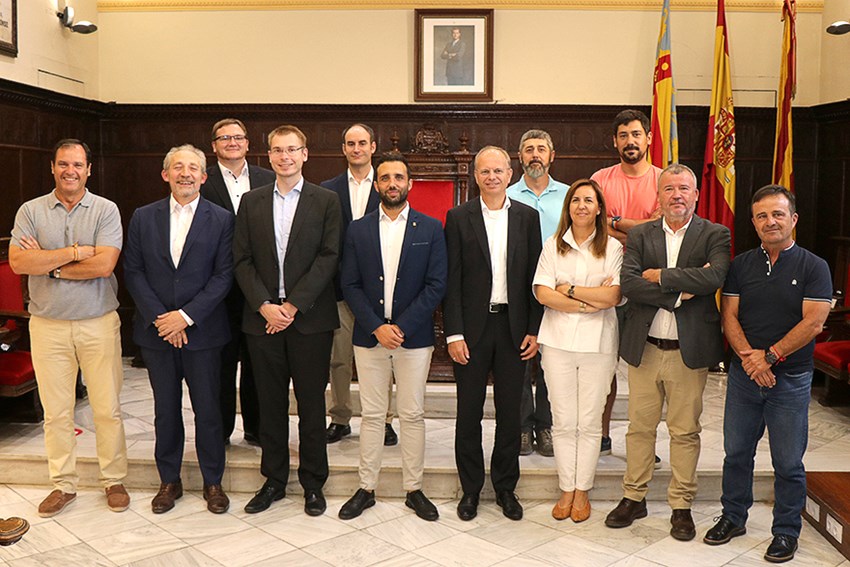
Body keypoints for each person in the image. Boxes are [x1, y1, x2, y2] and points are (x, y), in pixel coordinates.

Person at [704, 185, 831, 563]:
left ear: (793, 219)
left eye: (777, 214)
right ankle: (733, 516)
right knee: (736, 453)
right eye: (762, 216)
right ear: (754, 222)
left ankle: (786, 532)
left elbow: (814, 323)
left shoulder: (814, 266)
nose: (770, 221)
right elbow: (729, 315)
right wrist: (750, 360)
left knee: (788, 461)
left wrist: (770, 357)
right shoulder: (741, 265)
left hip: (790, 380)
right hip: (745, 377)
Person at [604, 163, 730, 541]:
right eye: (669, 189)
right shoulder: (641, 234)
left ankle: (681, 505)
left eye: (684, 188)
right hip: (645, 348)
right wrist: (680, 292)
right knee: (639, 428)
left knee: (684, 431)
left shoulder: (715, 233)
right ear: (658, 197)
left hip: (688, 352)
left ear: (696, 195)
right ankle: (634, 497)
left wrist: (660, 276)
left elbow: (714, 277)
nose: (677, 195)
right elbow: (629, 283)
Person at [9, 139, 129, 518]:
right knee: (56, 412)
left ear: (89, 170)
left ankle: (114, 479)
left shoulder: (106, 210)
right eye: (63, 164)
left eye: (77, 165)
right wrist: (76, 253)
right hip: (48, 325)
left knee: (107, 408)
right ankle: (63, 484)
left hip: (98, 322)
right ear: (53, 167)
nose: (70, 171)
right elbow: (18, 262)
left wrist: (48, 264)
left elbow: (104, 265)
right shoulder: (31, 211)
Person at [234, 125, 342, 516]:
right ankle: (274, 480)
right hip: (262, 320)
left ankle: (313, 484)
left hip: (309, 320)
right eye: (278, 150)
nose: (285, 157)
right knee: (270, 405)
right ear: (269, 156)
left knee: (311, 406)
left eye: (292, 149)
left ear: (305, 154)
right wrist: (264, 305)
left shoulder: (326, 200)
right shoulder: (251, 202)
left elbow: (329, 257)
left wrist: (293, 306)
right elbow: (241, 259)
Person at [124, 144, 234, 514]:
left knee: (209, 410)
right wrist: (162, 318)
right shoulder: (143, 216)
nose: (185, 173)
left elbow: (223, 276)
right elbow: (134, 271)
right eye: (177, 167)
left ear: (203, 176)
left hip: (203, 332)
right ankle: (169, 481)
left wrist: (184, 317)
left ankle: (213, 481)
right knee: (165, 410)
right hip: (157, 334)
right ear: (165, 174)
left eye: (192, 168)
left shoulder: (222, 219)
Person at [338, 153, 447, 522]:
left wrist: (401, 326)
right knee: (371, 415)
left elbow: (436, 285)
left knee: (412, 414)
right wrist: (376, 326)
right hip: (370, 337)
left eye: (398, 177)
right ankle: (365, 488)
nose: (392, 184)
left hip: (413, 339)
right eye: (385, 178)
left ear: (409, 183)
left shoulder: (430, 228)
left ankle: (414, 489)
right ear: (376, 185)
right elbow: (350, 284)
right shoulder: (358, 229)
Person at [444, 146, 543, 522]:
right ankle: (470, 489)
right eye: (484, 171)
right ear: (475, 176)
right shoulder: (458, 217)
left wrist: (534, 329)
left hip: (513, 328)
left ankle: (505, 487)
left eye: (498, 171)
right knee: (468, 412)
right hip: (472, 329)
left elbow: (534, 277)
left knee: (510, 413)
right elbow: (452, 280)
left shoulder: (527, 217)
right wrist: (454, 333)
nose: (492, 177)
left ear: (510, 173)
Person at [533, 179, 623, 523]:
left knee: (589, 420)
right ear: (567, 207)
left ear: (599, 208)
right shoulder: (553, 245)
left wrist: (568, 290)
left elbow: (613, 296)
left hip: (598, 344)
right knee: (563, 419)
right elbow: (543, 293)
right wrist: (589, 301)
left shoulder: (612, 247)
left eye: (588, 200)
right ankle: (566, 488)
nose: (581, 206)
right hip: (556, 342)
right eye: (575, 200)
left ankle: (582, 489)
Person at [591, 109, 662, 458]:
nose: (630, 141)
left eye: (636, 134)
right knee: (605, 366)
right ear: (614, 141)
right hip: (605, 281)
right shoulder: (600, 179)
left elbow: (659, 230)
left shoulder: (663, 180)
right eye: (623, 135)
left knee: (645, 370)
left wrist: (616, 222)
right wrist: (639, 227)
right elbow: (594, 225)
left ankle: (643, 443)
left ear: (648, 138)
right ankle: (602, 435)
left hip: (648, 285)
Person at [200, 118, 275, 448]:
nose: (232, 142)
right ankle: (221, 431)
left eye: (238, 137)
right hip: (217, 289)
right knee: (221, 363)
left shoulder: (268, 178)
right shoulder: (202, 180)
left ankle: (256, 429)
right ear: (214, 145)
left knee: (259, 363)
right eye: (224, 138)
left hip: (259, 287)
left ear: (247, 143)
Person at [321, 124, 397, 447]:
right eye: (350, 144)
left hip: (378, 292)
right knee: (338, 359)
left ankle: (385, 420)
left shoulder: (388, 184)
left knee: (382, 360)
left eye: (362, 143)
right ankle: (340, 417)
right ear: (344, 149)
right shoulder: (328, 189)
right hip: (339, 290)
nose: (356, 149)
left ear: (372, 147)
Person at [507, 129, 569, 458]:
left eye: (541, 149)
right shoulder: (506, 194)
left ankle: (545, 424)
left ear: (551, 156)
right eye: (529, 149)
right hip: (517, 288)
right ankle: (520, 426)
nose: (535, 155)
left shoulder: (569, 195)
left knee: (551, 361)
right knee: (519, 358)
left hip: (557, 289)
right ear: (520, 157)